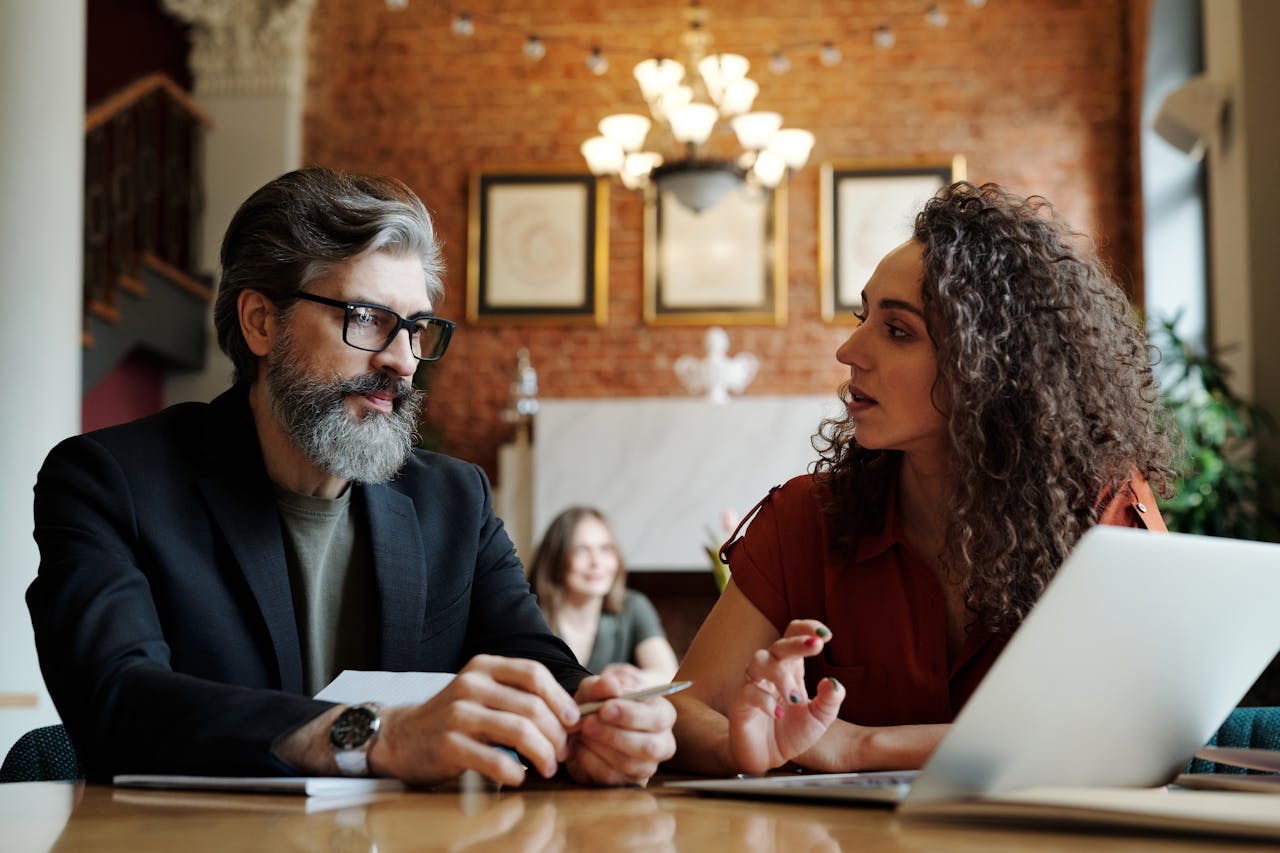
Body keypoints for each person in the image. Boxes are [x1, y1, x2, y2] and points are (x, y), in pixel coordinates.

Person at [28, 167, 674, 788]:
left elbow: (538, 665)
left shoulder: (454, 500)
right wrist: (372, 736)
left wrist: (597, 719)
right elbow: (115, 699)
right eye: (366, 318)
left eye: (418, 329)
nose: (402, 360)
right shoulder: (110, 482)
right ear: (261, 322)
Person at [669, 181, 1176, 776]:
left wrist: (860, 747)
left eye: (898, 331)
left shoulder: (1107, 513)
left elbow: (1135, 736)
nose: (848, 350)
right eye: (863, 318)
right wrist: (750, 742)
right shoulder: (805, 519)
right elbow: (686, 711)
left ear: (989, 367)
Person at [527, 507, 679, 689]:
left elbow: (668, 674)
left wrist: (632, 680)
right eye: (581, 550)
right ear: (555, 559)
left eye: (605, 549)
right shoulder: (529, 615)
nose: (596, 562)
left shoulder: (633, 606)